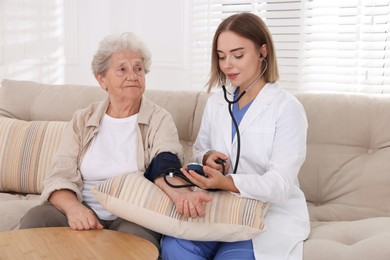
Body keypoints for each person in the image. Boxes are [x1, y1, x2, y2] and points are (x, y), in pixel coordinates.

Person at [160, 12, 310, 259]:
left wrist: (227, 182)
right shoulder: (217, 101)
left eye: (237, 55)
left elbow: (281, 184)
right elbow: (200, 149)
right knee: (174, 248)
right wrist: (208, 158)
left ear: (263, 52)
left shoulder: (287, 108)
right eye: (221, 57)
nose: (227, 64)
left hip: (268, 214)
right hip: (218, 206)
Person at [19, 32, 186, 250]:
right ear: (102, 79)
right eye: (122, 69)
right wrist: (74, 209)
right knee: (36, 219)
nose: (133, 76)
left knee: (136, 240)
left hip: (132, 214)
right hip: (83, 205)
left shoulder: (158, 118)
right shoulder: (82, 119)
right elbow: (60, 175)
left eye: (138, 68)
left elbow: (167, 161)